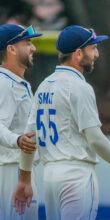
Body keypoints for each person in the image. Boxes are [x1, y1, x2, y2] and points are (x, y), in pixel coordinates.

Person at [12, 25, 110, 220]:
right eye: (93, 48)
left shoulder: (44, 85)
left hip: (50, 176)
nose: (96, 54)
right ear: (78, 53)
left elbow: (29, 137)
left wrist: (24, 179)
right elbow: (94, 138)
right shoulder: (79, 86)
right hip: (76, 175)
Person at [0, 24, 42, 220]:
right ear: (12, 49)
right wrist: (17, 140)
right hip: (11, 170)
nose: (33, 48)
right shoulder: (5, 83)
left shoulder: (15, 82)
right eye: (27, 43)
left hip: (18, 169)